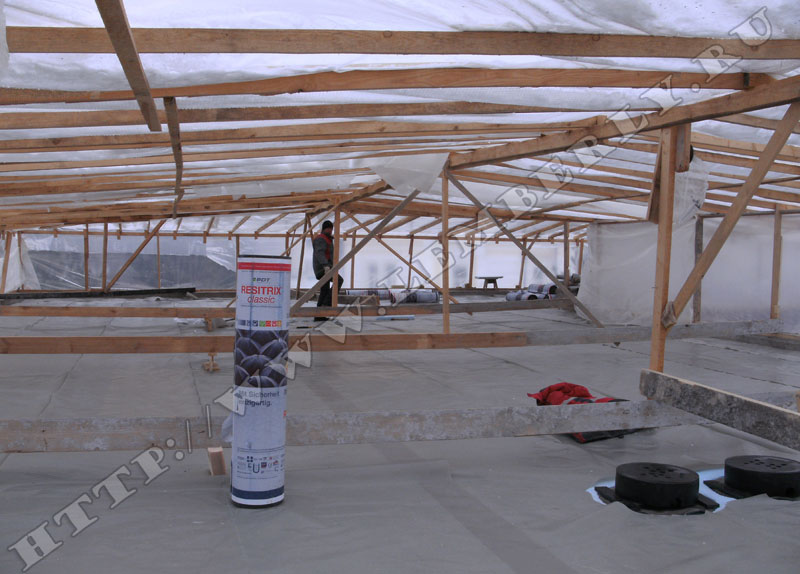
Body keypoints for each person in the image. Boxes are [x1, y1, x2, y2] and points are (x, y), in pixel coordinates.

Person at [312, 220, 343, 316]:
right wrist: (325, 265)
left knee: (324, 290)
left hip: (326, 268)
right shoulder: (321, 239)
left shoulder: (327, 239)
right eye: (329, 229)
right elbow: (319, 253)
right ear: (324, 229)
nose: (330, 231)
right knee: (339, 280)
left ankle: (319, 314)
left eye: (331, 229)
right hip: (323, 269)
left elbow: (328, 254)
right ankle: (326, 304)